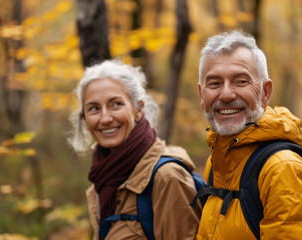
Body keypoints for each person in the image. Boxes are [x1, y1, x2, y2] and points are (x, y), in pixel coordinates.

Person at [195, 30, 302, 239]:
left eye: (240, 81)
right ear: (202, 96)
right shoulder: (216, 162)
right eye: (214, 83)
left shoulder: (282, 169)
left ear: (265, 92)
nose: (226, 94)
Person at [67, 59, 201, 240]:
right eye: (94, 108)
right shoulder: (104, 177)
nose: (105, 118)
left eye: (116, 104)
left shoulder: (167, 178)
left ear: (138, 109)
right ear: (85, 118)